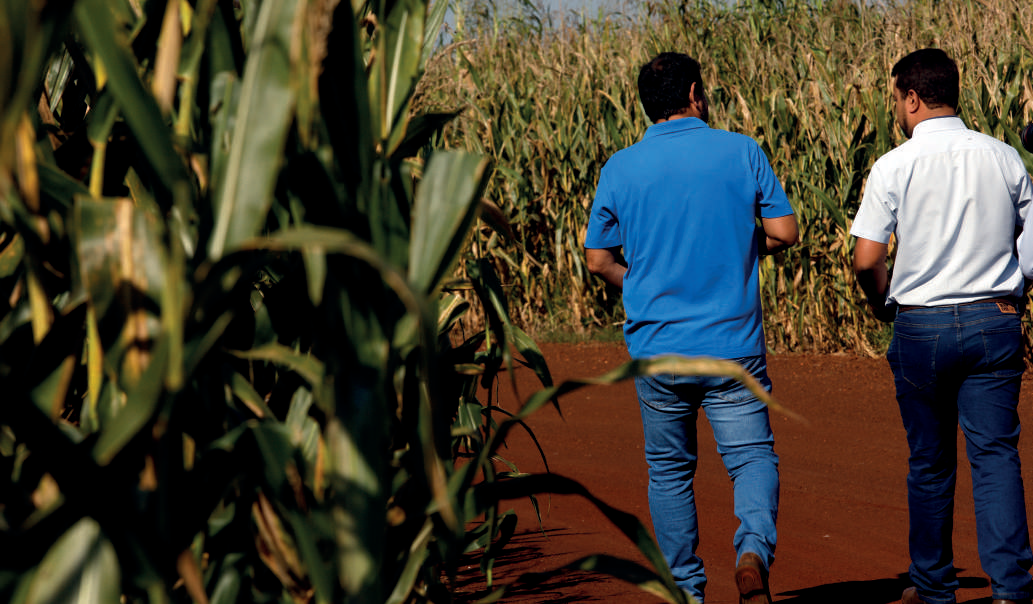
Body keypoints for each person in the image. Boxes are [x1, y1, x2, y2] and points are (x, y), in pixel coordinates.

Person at [584, 52, 799, 604]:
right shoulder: (741, 150)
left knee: (669, 471)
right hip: (732, 345)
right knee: (751, 458)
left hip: (658, 347)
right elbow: (784, 231)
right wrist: (740, 246)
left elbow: (597, 259)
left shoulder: (620, 167)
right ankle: (752, 551)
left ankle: (685, 591)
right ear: (696, 94)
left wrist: (638, 280)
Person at [851, 48, 1033, 604]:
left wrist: (883, 303)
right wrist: (1013, 288)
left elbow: (866, 258)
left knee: (930, 464)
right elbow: (1030, 254)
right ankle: (1012, 589)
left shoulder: (893, 165)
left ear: (912, 98)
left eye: (896, 100)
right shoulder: (1004, 157)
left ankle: (934, 588)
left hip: (921, 325)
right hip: (994, 319)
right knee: (995, 456)